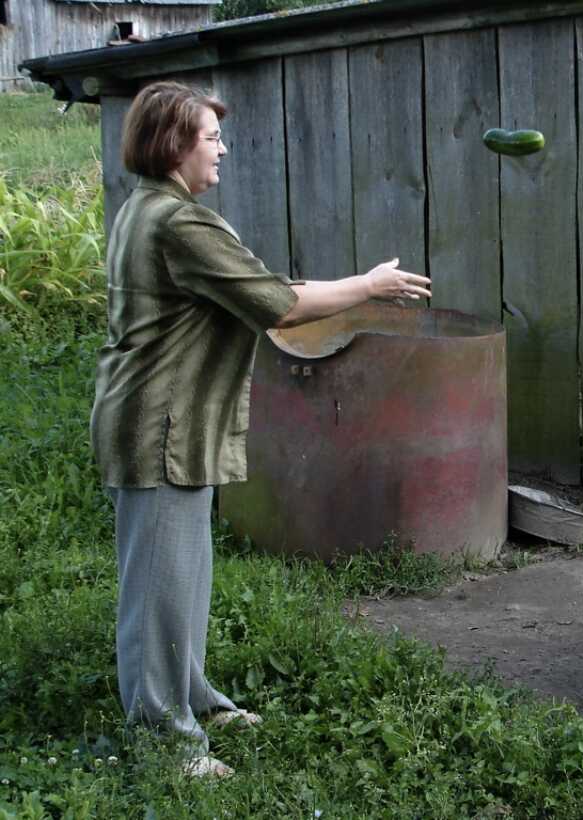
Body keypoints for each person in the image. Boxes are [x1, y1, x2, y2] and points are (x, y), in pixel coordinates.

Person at [92, 81, 431, 778]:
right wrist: (369, 285)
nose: (221, 148)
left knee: (181, 576)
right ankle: (164, 741)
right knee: (157, 586)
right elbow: (278, 304)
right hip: (160, 423)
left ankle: (195, 700)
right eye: (210, 137)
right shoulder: (179, 223)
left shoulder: (148, 209)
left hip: (168, 419)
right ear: (174, 143)